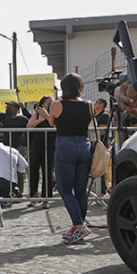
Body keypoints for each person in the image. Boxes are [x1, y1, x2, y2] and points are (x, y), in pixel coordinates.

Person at [48, 73, 93, 243]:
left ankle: (79, 227)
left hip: (65, 146)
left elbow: (53, 123)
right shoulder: (89, 105)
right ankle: (78, 227)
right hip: (84, 145)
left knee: (65, 190)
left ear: (63, 87)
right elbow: (86, 123)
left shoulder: (57, 105)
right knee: (80, 190)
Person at [26, 95, 55, 209]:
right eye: (49, 102)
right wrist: (39, 120)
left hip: (50, 145)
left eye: (52, 102)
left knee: (47, 172)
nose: (51, 104)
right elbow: (29, 126)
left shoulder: (55, 113)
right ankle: (34, 196)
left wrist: (47, 116)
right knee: (33, 170)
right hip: (36, 145)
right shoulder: (37, 113)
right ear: (43, 104)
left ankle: (46, 199)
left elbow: (55, 124)